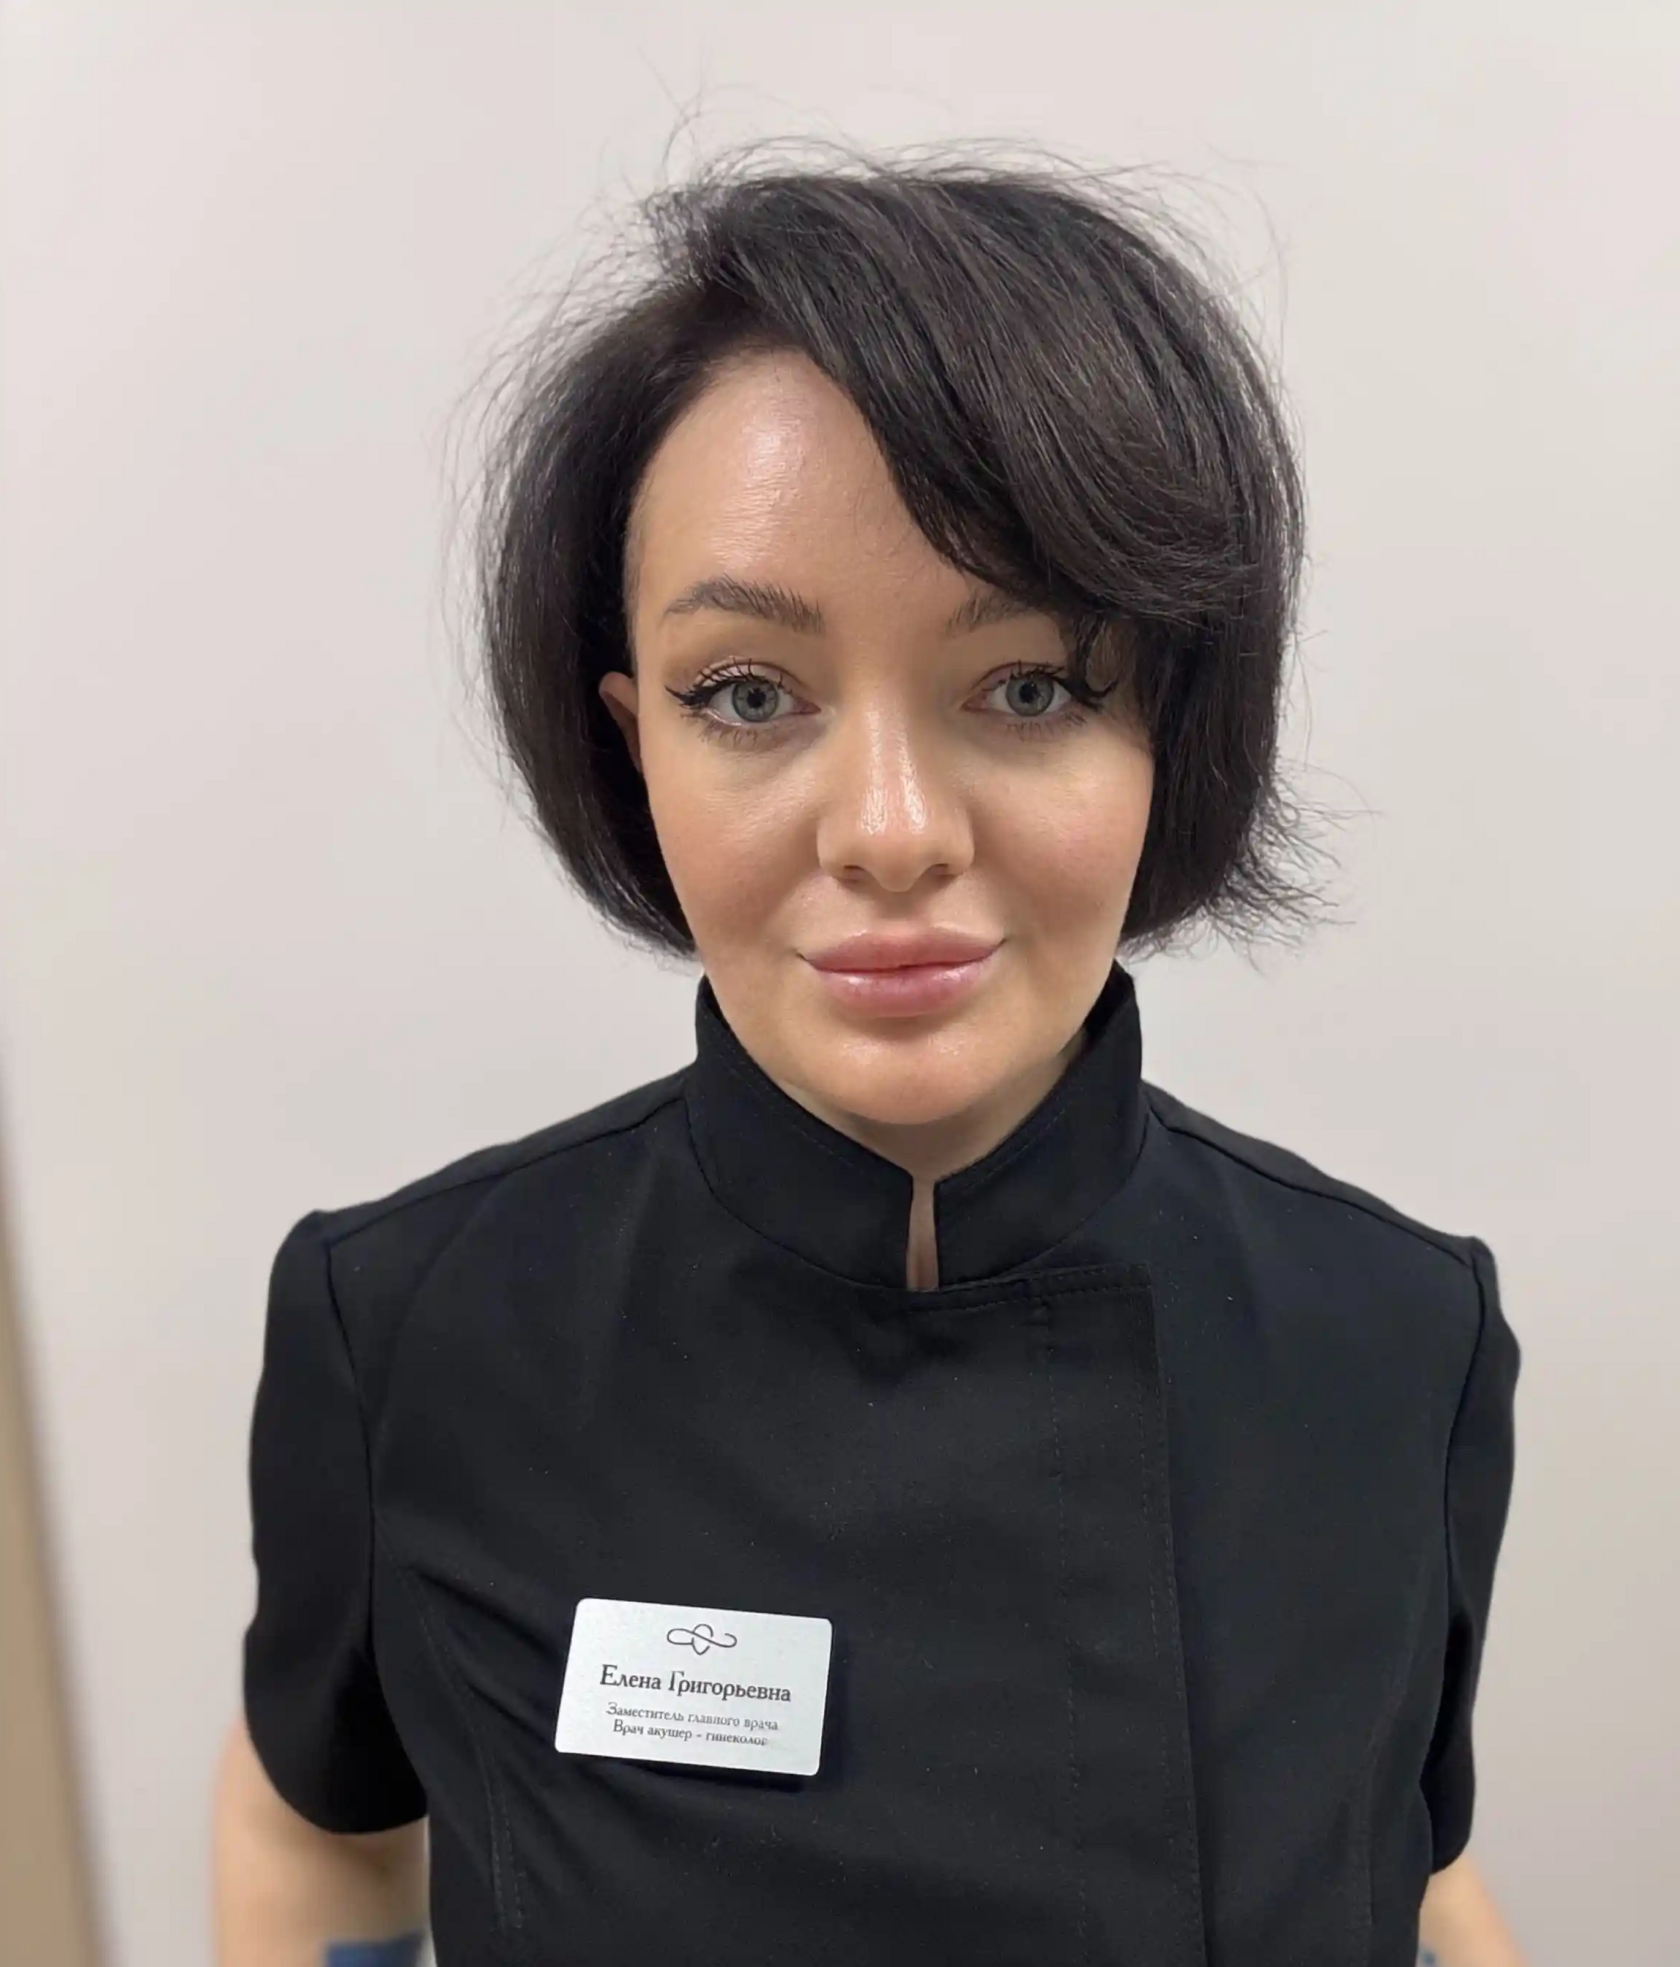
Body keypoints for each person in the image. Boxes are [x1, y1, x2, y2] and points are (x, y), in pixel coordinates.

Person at [213, 146, 1526, 1966]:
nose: (893, 831)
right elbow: (315, 1824)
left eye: (1030, 686)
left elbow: (1419, 1870)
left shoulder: (1395, 1340)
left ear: (1170, 726)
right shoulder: (411, 1334)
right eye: (751, 695)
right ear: (636, 745)